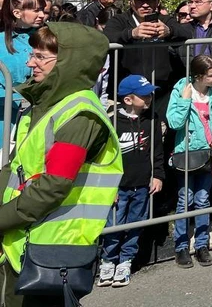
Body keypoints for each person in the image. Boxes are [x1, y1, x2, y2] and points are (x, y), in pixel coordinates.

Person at [0, 23, 122, 307]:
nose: (31, 63)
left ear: (70, 62)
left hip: (50, 251)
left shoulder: (81, 116)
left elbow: (54, 186)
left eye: (41, 56)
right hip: (22, 239)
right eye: (33, 54)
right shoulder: (46, 103)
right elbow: (16, 169)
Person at [166, 54, 212, 269]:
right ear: (198, 76)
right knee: (184, 199)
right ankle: (181, 246)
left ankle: (202, 245)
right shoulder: (182, 90)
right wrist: (185, 101)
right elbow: (174, 122)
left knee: (203, 200)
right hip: (187, 153)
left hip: (210, 153)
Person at [99, 75, 164, 288]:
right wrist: (109, 185)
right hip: (118, 185)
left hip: (142, 184)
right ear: (128, 100)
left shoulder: (151, 119)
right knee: (113, 224)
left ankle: (125, 261)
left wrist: (157, 175)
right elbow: (104, 156)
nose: (149, 98)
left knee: (136, 223)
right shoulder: (113, 121)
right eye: (144, 96)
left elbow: (157, 151)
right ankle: (108, 260)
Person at [103, 0, 194, 114]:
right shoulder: (119, 20)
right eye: (140, 0)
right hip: (127, 91)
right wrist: (132, 33)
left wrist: (169, 31)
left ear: (158, 2)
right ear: (131, 1)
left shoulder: (164, 20)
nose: (145, 5)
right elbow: (107, 36)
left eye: (150, 0)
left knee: (157, 130)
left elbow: (187, 33)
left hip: (160, 91)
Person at [0, 0, 45, 143]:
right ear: (17, 13)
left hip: (41, 114)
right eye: (36, 10)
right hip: (7, 118)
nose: (41, 15)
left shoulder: (49, 37)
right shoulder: (1, 42)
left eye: (43, 10)